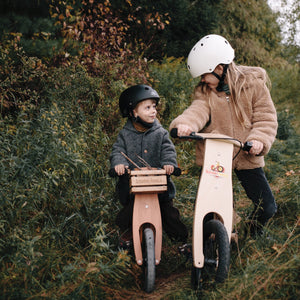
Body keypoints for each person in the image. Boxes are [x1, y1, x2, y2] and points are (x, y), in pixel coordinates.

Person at [169, 34, 278, 237]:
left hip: (247, 155)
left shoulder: (253, 85)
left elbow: (266, 118)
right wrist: (184, 124)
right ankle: (213, 242)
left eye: (204, 74)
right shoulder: (205, 92)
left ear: (219, 68)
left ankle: (249, 234)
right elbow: (197, 111)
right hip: (217, 156)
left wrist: (259, 141)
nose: (202, 80)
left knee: (267, 207)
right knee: (212, 207)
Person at [110, 84, 188, 249]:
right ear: (133, 112)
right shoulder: (125, 134)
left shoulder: (160, 133)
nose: (153, 111)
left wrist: (169, 164)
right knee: (129, 213)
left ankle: (180, 242)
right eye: (147, 107)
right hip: (133, 187)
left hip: (158, 186)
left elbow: (168, 150)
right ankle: (128, 234)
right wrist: (119, 164)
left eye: (154, 107)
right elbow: (118, 150)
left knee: (169, 214)